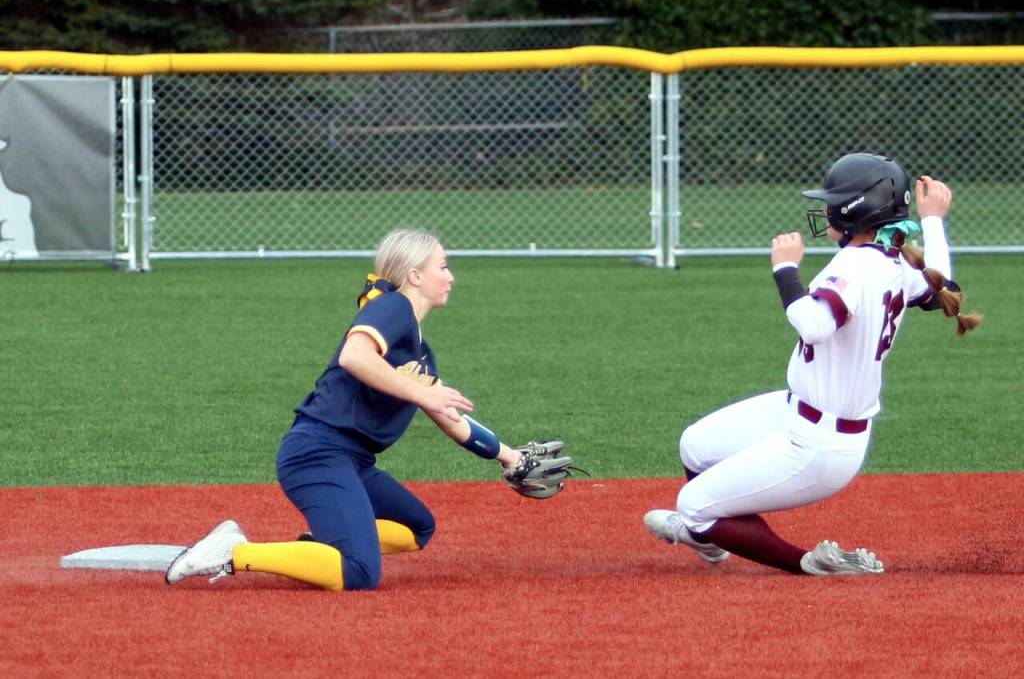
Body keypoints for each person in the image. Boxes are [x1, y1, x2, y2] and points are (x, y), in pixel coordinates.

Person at [165, 228, 572, 591]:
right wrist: (424, 395)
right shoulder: (393, 307)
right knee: (360, 573)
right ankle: (232, 553)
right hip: (317, 454)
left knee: (417, 526)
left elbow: (453, 422)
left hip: (352, 462)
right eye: (443, 266)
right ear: (415, 276)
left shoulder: (418, 351)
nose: (451, 277)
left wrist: (509, 456)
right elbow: (354, 356)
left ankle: (329, 545)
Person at [644, 152, 982, 575]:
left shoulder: (855, 265)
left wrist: (785, 269)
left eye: (833, 201)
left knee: (691, 504)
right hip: (799, 413)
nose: (825, 210)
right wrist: (932, 220)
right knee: (695, 445)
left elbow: (814, 324)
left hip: (820, 445)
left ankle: (805, 563)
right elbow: (943, 288)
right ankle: (707, 537)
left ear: (854, 211)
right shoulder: (891, 259)